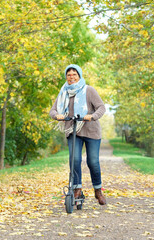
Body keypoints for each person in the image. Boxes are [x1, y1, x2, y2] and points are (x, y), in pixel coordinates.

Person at [49, 64, 106, 205]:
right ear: (66, 77)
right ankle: (77, 189)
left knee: (92, 162)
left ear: (79, 76)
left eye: (74, 74)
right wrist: (58, 116)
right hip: (73, 130)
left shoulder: (89, 90)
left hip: (91, 130)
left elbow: (101, 107)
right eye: (69, 75)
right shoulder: (64, 92)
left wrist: (92, 116)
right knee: (74, 160)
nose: (71, 77)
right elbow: (53, 110)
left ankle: (98, 190)